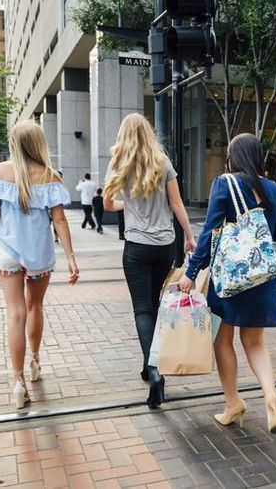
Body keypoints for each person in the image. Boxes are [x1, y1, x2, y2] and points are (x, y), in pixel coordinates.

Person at [178, 133, 276, 434]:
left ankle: (233, 403)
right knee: (254, 342)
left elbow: (210, 231)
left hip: (229, 278)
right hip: (261, 276)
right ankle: (271, 396)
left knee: (222, 340)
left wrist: (191, 271)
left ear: (233, 157)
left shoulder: (225, 183)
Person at [0, 120, 79, 409]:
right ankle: (35, 361)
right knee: (35, 307)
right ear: (38, 143)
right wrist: (71, 258)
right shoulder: (50, 176)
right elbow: (59, 220)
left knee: (15, 314)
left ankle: (18, 382)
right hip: (39, 255)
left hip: (8, 252)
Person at [103, 113, 196, 408]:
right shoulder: (163, 162)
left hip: (136, 248)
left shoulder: (119, 162)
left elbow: (107, 203)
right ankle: (150, 365)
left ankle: (154, 372)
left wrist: (125, 205)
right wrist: (190, 236)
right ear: (148, 133)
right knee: (155, 305)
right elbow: (176, 203)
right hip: (165, 245)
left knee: (143, 310)